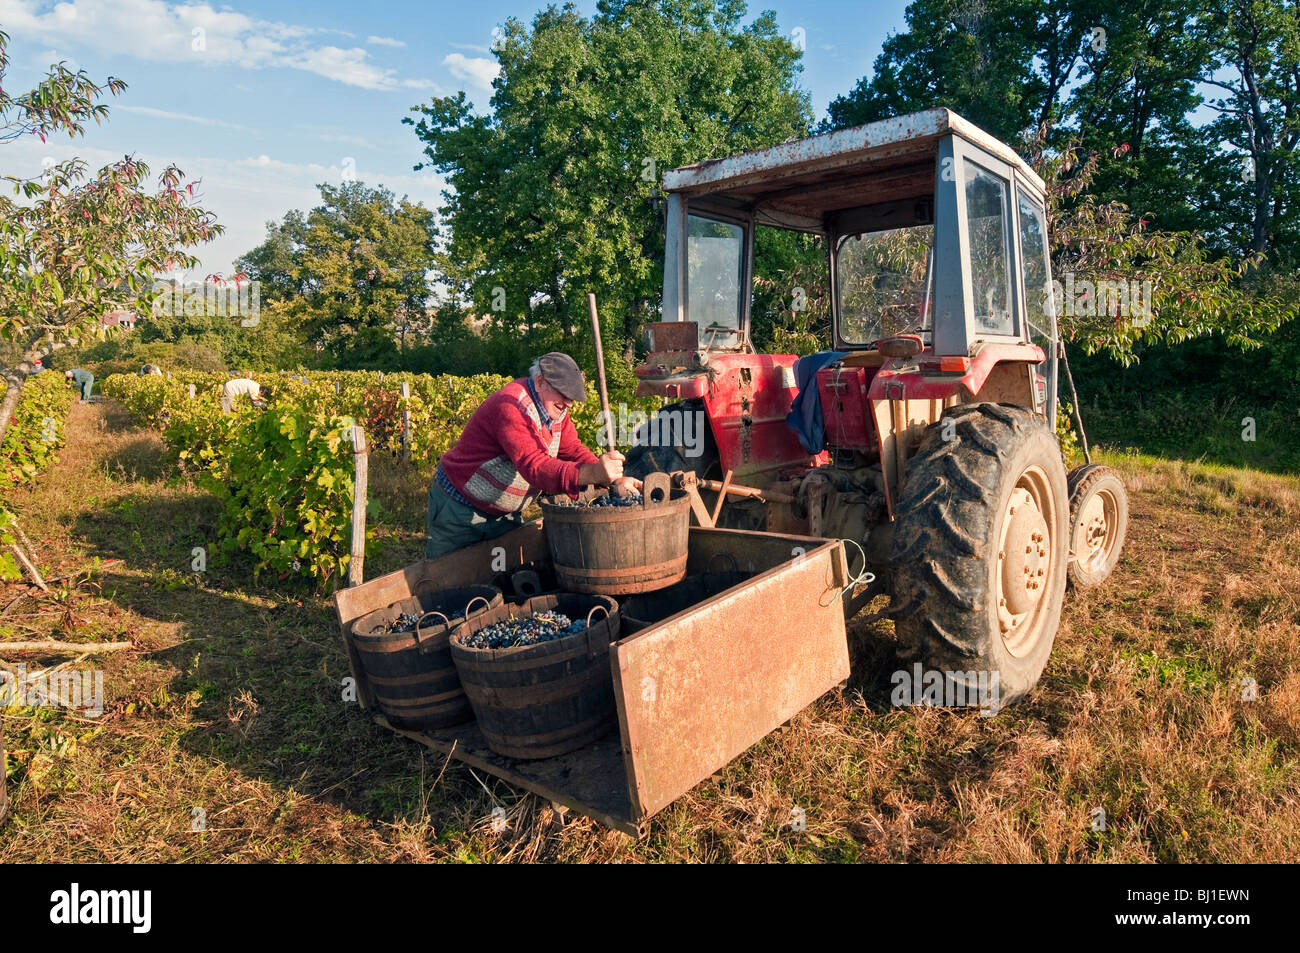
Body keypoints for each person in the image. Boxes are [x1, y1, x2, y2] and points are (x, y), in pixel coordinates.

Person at [426, 352, 639, 559]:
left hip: (504, 515)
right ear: (540, 382)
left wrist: (613, 479)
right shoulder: (511, 405)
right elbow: (533, 465)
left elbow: (572, 449)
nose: (569, 404)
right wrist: (593, 473)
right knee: (447, 580)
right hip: (459, 507)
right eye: (563, 394)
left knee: (501, 578)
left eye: (572, 398)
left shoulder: (556, 412)